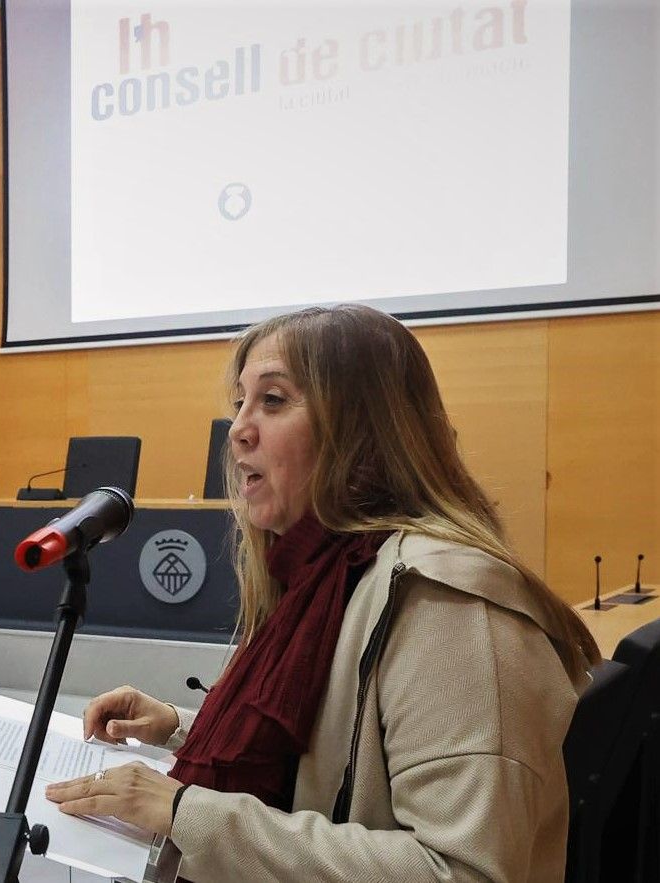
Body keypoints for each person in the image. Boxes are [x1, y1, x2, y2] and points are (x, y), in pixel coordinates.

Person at [44, 305, 599, 881]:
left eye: (274, 400)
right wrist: (182, 727)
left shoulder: (448, 603)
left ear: (363, 428)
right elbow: (337, 757)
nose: (238, 428)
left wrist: (187, 811)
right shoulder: (326, 573)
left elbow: (462, 870)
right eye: (240, 404)